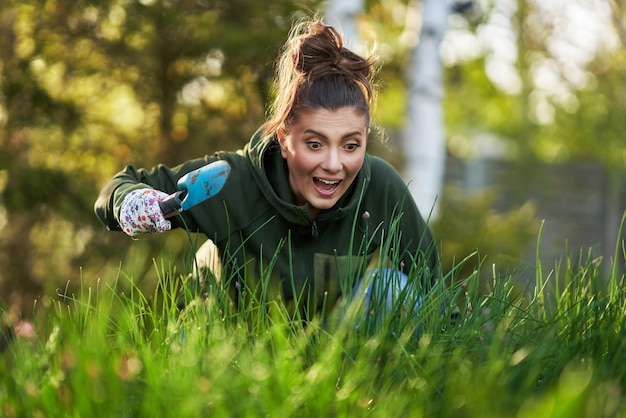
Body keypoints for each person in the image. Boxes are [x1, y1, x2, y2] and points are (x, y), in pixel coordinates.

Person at [94, 18, 439, 322]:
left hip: (319, 346)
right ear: (285, 139)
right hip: (223, 342)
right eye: (315, 144)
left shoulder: (377, 187)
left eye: (350, 145)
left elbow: (435, 291)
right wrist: (135, 202)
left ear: (364, 139)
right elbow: (119, 187)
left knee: (393, 290)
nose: (334, 165)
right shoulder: (229, 179)